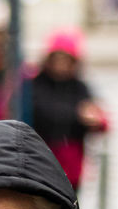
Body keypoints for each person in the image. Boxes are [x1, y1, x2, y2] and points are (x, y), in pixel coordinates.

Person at [27, 29, 108, 191]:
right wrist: (77, 115)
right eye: (57, 59)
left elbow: (101, 121)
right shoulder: (35, 84)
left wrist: (95, 120)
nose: (61, 65)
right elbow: (43, 113)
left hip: (71, 168)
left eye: (66, 60)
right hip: (38, 161)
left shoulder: (80, 87)